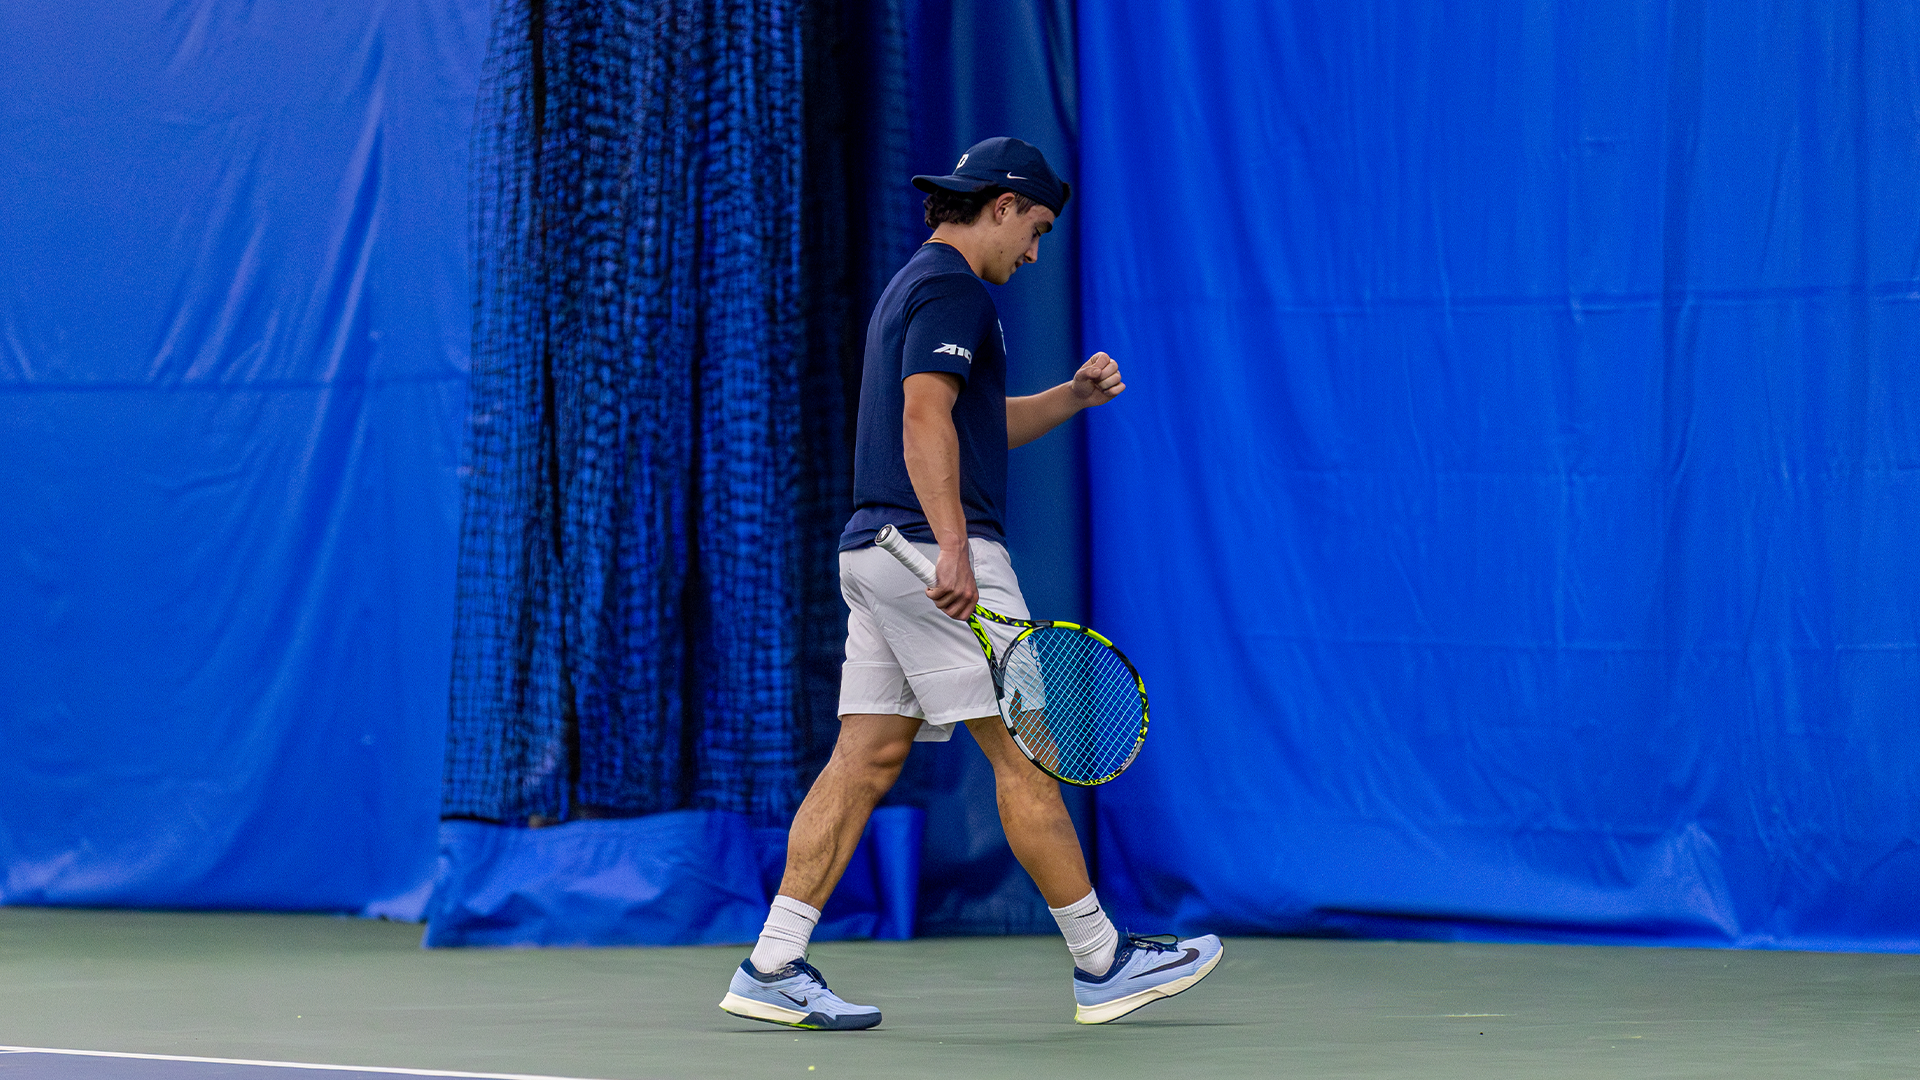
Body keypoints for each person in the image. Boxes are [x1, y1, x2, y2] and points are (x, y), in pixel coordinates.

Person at [718, 137, 1220, 1030]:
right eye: (1034, 229)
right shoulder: (954, 289)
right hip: (932, 553)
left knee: (864, 758)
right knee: (1024, 751)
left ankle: (772, 961)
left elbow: (970, 417)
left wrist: (1068, 396)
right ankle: (1102, 961)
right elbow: (925, 415)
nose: (1034, 252)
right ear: (999, 206)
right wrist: (952, 544)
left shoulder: (916, 285)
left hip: (875, 552)